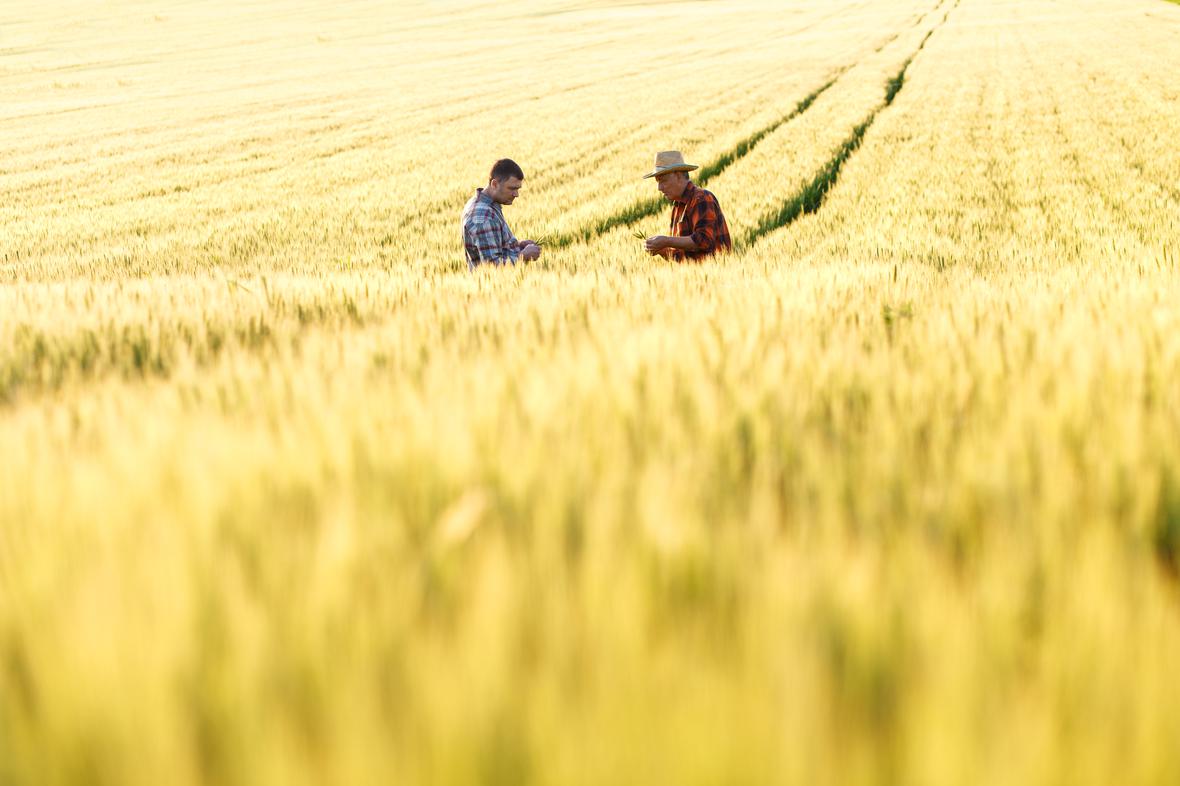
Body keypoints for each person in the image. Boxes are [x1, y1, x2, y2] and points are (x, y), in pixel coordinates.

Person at [641, 150, 732, 261]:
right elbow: (683, 257)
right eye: (658, 182)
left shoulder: (701, 199)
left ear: (679, 176)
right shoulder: (678, 206)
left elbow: (704, 240)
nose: (659, 188)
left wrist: (666, 241)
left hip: (716, 275)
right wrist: (661, 250)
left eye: (663, 181)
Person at [462, 158, 541, 269]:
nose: (516, 194)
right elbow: (492, 267)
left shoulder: (487, 204)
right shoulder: (483, 217)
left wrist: (517, 245)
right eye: (512, 188)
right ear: (494, 184)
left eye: (518, 189)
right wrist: (524, 256)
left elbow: (493, 246)